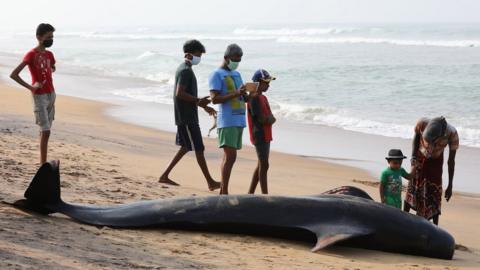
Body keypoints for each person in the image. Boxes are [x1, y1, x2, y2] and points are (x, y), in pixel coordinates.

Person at [159, 39, 220, 191]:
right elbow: (180, 93)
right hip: (186, 117)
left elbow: (186, 95)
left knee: (186, 147)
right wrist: (199, 100)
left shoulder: (184, 68)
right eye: (198, 55)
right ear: (188, 54)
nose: (199, 58)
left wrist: (202, 105)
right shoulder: (185, 71)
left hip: (186, 115)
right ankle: (210, 182)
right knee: (198, 148)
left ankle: (164, 175)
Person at [10, 23, 56, 165]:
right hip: (40, 96)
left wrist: (49, 70)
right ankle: (42, 165)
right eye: (49, 37)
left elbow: (52, 68)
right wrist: (31, 87)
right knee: (46, 131)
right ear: (39, 37)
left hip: (51, 94)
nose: (51, 39)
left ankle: (42, 160)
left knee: (45, 130)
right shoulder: (31, 54)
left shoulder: (49, 54)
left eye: (52, 37)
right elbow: (14, 74)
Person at [404, 116, 459, 225]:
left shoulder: (452, 134)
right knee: (412, 188)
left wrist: (450, 185)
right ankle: (404, 220)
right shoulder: (422, 123)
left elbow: (451, 161)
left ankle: (435, 228)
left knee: (434, 193)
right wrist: (413, 157)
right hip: (420, 157)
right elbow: (416, 137)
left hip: (436, 162)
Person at [209, 44, 248, 195]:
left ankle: (223, 189)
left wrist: (246, 94)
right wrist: (236, 93)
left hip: (239, 120)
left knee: (230, 157)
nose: (237, 62)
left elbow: (240, 95)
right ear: (226, 58)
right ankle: (224, 190)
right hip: (227, 120)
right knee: (230, 156)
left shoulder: (237, 74)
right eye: (235, 59)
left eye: (239, 59)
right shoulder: (216, 74)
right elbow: (214, 99)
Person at [247, 69, 276, 194]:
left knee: (261, 164)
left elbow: (269, 116)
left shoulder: (263, 97)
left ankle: (250, 193)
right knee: (264, 165)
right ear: (258, 83)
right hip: (259, 134)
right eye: (266, 82)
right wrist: (270, 119)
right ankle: (265, 195)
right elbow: (263, 118)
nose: (268, 85)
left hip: (266, 134)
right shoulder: (253, 98)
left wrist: (270, 118)